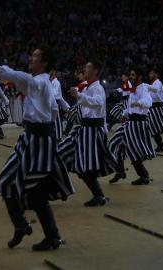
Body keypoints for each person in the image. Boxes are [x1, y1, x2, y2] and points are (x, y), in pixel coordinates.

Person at [0, 47, 74, 251]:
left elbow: (23, 79)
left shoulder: (40, 82)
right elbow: (53, 110)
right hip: (31, 138)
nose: (31, 58)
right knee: (7, 182)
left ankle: (50, 236)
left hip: (38, 141)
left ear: (44, 64)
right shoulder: (40, 84)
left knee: (35, 192)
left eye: (35, 56)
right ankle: (22, 225)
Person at [58, 61, 117, 207]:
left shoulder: (97, 88)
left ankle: (98, 196)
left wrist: (79, 95)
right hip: (83, 130)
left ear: (96, 71)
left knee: (85, 166)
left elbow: (97, 103)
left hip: (92, 131)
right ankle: (61, 189)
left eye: (89, 67)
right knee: (63, 154)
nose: (85, 69)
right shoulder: (87, 87)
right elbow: (82, 106)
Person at [108, 67, 155, 185]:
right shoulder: (134, 88)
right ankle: (120, 171)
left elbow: (149, 102)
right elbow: (129, 107)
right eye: (131, 75)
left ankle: (144, 176)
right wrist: (124, 114)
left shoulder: (143, 87)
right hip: (131, 123)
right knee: (114, 143)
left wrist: (138, 102)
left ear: (139, 76)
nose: (131, 77)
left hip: (138, 124)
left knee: (132, 150)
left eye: (133, 75)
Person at [147, 69, 163, 152]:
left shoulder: (158, 83)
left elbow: (157, 91)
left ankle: (160, 145)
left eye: (151, 73)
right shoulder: (152, 84)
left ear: (156, 75)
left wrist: (146, 86)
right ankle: (160, 145)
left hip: (157, 108)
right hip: (153, 108)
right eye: (149, 73)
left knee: (154, 128)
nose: (149, 75)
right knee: (154, 128)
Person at [50, 69, 70, 140]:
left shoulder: (56, 82)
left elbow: (55, 94)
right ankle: (55, 136)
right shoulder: (52, 82)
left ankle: (59, 137)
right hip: (51, 103)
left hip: (55, 103)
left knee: (57, 121)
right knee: (53, 121)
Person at [63, 71, 84, 135]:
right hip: (80, 104)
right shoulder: (81, 82)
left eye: (80, 75)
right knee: (71, 115)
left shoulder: (85, 82)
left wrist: (73, 89)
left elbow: (76, 89)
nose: (78, 76)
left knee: (80, 119)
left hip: (84, 105)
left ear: (83, 75)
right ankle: (66, 131)